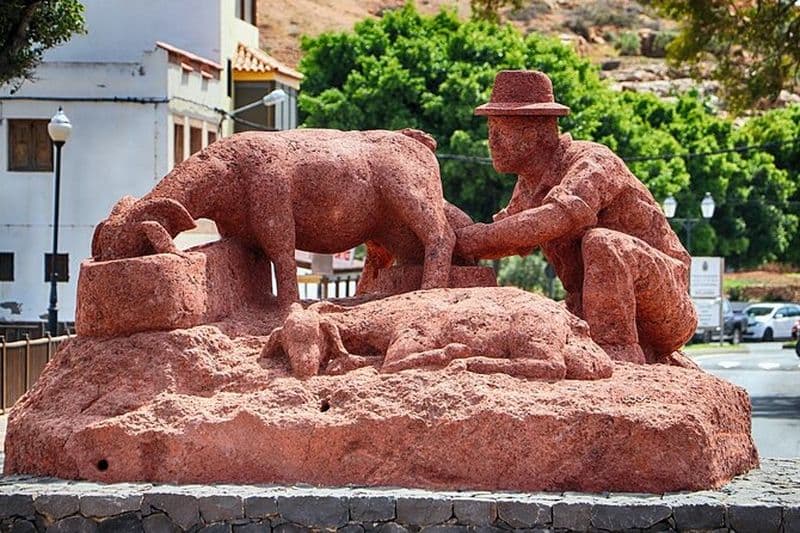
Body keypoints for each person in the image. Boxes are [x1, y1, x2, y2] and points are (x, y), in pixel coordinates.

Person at [455, 70, 697, 364]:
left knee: (603, 243)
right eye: (491, 133)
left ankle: (617, 350)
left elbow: (554, 219)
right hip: (589, 307)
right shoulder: (530, 184)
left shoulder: (592, 161)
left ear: (537, 134)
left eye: (499, 132)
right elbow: (506, 236)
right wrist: (443, 232)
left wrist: (471, 238)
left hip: (666, 304)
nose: (491, 143)